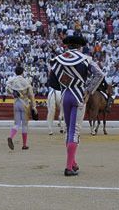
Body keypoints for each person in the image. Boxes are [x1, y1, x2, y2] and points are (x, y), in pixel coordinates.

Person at [48, 35, 104, 176]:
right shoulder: (86, 59)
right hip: (79, 95)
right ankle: (68, 167)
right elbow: (99, 74)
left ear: (67, 46)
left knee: (68, 130)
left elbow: (52, 82)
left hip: (65, 96)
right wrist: (89, 91)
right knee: (75, 131)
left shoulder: (57, 60)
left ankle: (72, 162)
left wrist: (64, 85)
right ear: (80, 47)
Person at [5, 66, 37, 150]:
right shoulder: (26, 82)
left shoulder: (12, 81)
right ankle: (24, 144)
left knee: (17, 124)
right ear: (22, 72)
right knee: (24, 125)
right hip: (24, 104)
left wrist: (13, 93)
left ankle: (11, 137)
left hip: (16, 103)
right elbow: (31, 95)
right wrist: (34, 106)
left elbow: (7, 89)